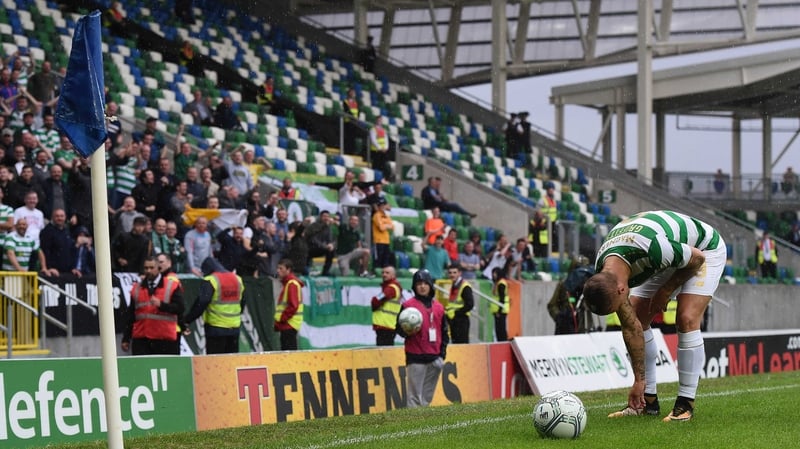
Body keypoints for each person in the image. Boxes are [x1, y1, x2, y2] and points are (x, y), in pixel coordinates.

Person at [582, 210, 726, 422]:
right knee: (638, 318)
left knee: (686, 318)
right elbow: (632, 328)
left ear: (622, 290)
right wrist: (639, 381)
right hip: (666, 251)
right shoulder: (604, 270)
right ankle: (647, 402)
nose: (619, 310)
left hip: (704, 249)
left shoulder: (653, 249)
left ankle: (685, 404)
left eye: (617, 306)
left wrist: (665, 291)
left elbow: (697, 259)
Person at [396, 269, 448, 408]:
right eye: (419, 283)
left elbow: (444, 332)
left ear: (430, 285)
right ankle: (412, 424)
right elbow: (399, 330)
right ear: (414, 286)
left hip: (435, 357)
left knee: (427, 397)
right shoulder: (408, 306)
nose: (422, 286)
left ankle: (423, 421)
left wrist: (442, 355)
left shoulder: (439, 308)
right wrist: (407, 331)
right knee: (414, 397)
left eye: (425, 283)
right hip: (416, 356)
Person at [121, 257, 184, 355]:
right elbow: (131, 315)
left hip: (164, 339)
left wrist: (162, 305)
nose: (148, 271)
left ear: (158, 268)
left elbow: (180, 308)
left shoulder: (172, 285)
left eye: (151, 268)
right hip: (142, 339)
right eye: (146, 268)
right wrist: (126, 338)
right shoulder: (136, 288)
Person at [183, 257, 244, 354]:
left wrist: (187, 320)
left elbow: (202, 302)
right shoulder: (237, 279)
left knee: (215, 363)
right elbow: (242, 301)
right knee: (231, 363)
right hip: (234, 328)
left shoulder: (211, 280)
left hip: (216, 328)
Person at [274, 258, 304, 351]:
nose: (278, 271)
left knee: (288, 355)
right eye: (278, 268)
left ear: (288, 270)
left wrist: (282, 319)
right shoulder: (289, 283)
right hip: (289, 325)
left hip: (288, 324)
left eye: (281, 268)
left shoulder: (291, 284)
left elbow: (293, 306)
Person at [370, 265, 402, 346]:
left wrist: (374, 301)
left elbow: (376, 301)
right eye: (383, 272)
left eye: (387, 273)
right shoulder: (390, 287)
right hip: (387, 325)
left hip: (386, 326)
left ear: (393, 275)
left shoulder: (391, 288)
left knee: (383, 353)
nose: (384, 274)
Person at [446, 264, 474, 344]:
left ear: (459, 273)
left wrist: (456, 313)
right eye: (450, 273)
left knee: (462, 345)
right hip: (454, 319)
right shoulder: (453, 285)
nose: (452, 275)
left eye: (454, 272)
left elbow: (470, 304)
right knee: (455, 344)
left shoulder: (465, 286)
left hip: (461, 320)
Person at [304, 210, 336, 276]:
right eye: (324, 216)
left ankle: (325, 271)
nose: (326, 218)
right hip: (310, 248)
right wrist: (324, 246)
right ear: (320, 217)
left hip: (321, 248)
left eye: (327, 216)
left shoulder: (328, 227)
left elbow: (330, 239)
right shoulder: (314, 225)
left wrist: (331, 245)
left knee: (331, 251)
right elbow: (313, 239)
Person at [372, 197, 394, 269]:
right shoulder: (376, 215)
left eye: (383, 205)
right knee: (378, 260)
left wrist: (385, 225)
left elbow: (392, 227)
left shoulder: (386, 216)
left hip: (386, 241)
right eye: (380, 205)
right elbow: (381, 228)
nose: (382, 206)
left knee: (385, 261)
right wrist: (387, 225)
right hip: (378, 241)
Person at [491, 267, 509, 341]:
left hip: (501, 310)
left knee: (501, 329)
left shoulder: (501, 283)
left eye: (495, 273)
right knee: (498, 329)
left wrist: (499, 310)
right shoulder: (497, 283)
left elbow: (502, 298)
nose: (493, 275)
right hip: (497, 310)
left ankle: (503, 342)